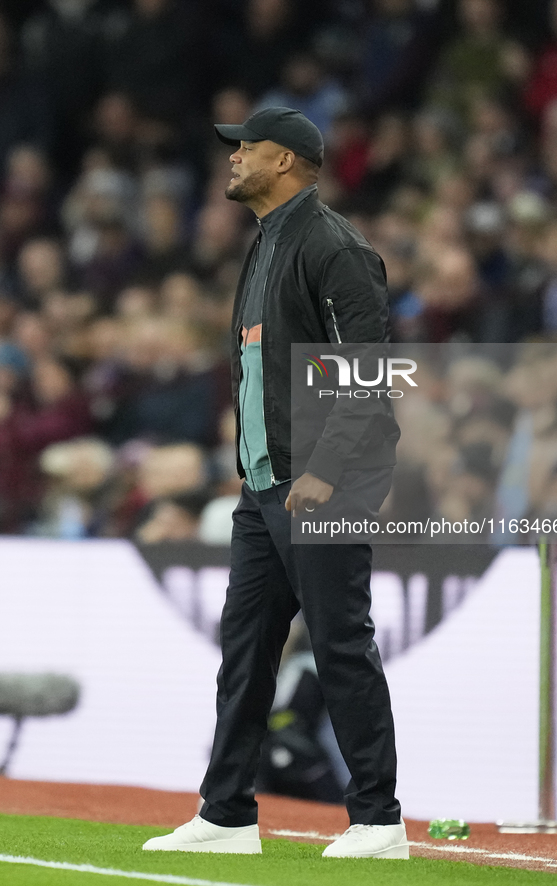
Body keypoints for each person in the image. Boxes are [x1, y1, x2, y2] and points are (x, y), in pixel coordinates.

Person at [142, 107, 409, 860]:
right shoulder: (266, 245)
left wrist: (322, 470)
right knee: (245, 649)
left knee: (338, 642)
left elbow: (367, 375)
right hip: (266, 488)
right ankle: (226, 813)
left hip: (327, 482)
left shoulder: (335, 249)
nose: (231, 159)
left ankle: (377, 820)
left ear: (285, 161)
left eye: (245, 148)